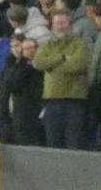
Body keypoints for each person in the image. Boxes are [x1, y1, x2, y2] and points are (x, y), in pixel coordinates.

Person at [32, 10, 89, 148]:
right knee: (53, 143)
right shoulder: (46, 45)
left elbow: (78, 65)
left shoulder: (80, 43)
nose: (60, 26)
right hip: (51, 100)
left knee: (74, 143)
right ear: (52, 25)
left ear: (70, 24)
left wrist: (51, 68)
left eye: (63, 23)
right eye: (57, 23)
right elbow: (38, 63)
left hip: (74, 101)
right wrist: (62, 58)